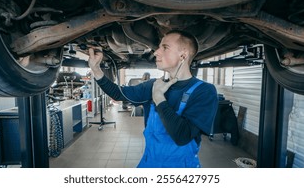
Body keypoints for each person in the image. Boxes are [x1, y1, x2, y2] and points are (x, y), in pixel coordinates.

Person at [88, 30, 218, 168]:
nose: (156, 52)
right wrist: (96, 69)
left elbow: (182, 136)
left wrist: (159, 98)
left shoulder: (204, 91)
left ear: (183, 55)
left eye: (165, 47)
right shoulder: (153, 85)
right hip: (149, 163)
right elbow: (119, 94)